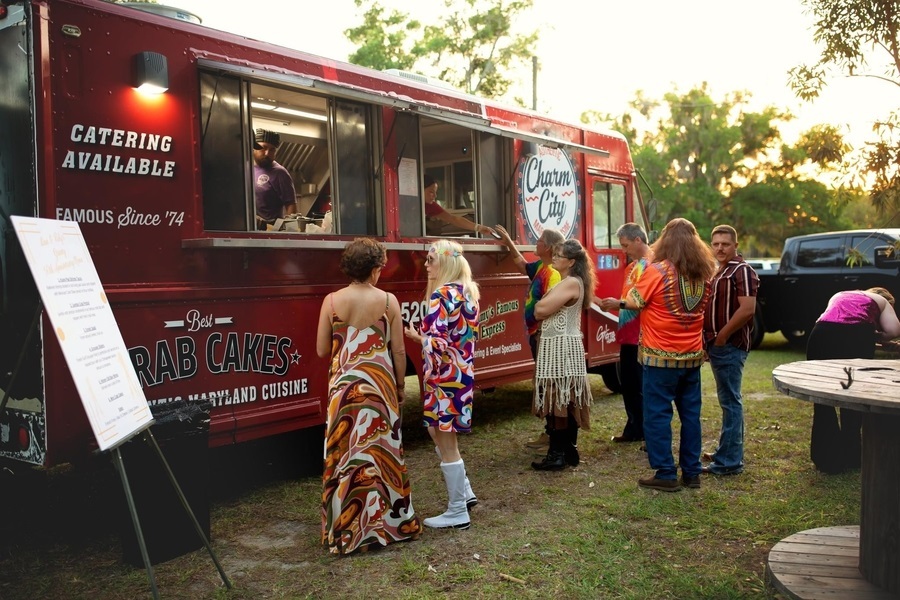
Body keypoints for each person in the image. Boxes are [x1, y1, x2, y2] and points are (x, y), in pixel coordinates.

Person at [316, 238, 420, 555]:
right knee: (382, 455)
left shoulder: (331, 302)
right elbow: (399, 350)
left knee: (345, 457)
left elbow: (322, 350)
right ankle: (389, 525)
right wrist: (400, 386)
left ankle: (345, 530)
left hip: (343, 389)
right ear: (375, 269)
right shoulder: (389, 302)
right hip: (380, 386)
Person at [623, 218, 716, 492]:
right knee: (691, 416)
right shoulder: (704, 273)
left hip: (659, 358)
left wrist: (628, 289)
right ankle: (691, 473)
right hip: (691, 358)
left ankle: (665, 472)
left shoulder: (657, 271)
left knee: (657, 415)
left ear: (665, 241)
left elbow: (633, 302)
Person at [404, 240, 480, 529]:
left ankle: (457, 510)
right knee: (436, 431)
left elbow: (438, 343)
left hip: (444, 378)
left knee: (446, 442)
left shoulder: (441, 294)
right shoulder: (468, 291)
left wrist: (416, 337)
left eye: (430, 259)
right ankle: (466, 493)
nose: (426, 265)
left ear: (445, 263)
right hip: (461, 375)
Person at [806, 287, 900, 474]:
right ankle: (852, 455)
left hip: (820, 334)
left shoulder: (840, 294)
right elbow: (893, 329)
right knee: (851, 394)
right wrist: (882, 338)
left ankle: (827, 459)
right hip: (855, 338)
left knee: (822, 399)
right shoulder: (880, 301)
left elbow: (838, 328)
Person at [494, 224, 566, 451]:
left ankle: (552, 434)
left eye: (540, 240)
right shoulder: (541, 268)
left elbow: (553, 305)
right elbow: (521, 264)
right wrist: (508, 242)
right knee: (543, 384)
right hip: (537, 335)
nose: (536, 242)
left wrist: (541, 327)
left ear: (550, 247)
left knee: (548, 384)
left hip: (545, 337)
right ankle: (549, 431)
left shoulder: (552, 273)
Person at [531, 239, 596, 470]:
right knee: (561, 398)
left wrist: (541, 305)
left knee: (559, 398)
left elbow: (540, 310)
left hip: (561, 348)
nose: (554, 258)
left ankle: (558, 454)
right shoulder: (569, 281)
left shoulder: (570, 283)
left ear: (571, 261)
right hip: (560, 346)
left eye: (559, 255)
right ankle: (567, 450)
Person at [701, 225, 759, 476]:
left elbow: (747, 309)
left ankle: (729, 462)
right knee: (727, 402)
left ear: (735, 245)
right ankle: (726, 452)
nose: (720, 248)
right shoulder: (719, 270)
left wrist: (722, 336)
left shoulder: (742, 270)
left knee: (731, 402)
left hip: (730, 346)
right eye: (716, 244)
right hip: (716, 346)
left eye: (725, 244)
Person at [599, 223, 652, 445]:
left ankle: (647, 431)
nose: (624, 250)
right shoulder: (631, 268)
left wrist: (617, 303)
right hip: (627, 334)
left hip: (644, 334)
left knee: (643, 385)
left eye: (626, 245)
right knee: (629, 385)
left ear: (638, 240)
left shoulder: (652, 265)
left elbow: (645, 300)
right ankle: (634, 427)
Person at [423, 175, 496, 238]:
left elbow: (453, 219)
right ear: (420, 190)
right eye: (431, 192)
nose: (435, 196)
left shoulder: (430, 205)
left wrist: (479, 228)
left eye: (436, 192)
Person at [253, 128, 297, 229]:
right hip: (249, 230)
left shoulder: (280, 173)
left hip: (270, 231)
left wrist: (289, 232)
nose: (267, 153)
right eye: (263, 147)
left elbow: (291, 206)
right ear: (254, 147)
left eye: (272, 150)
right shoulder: (244, 169)